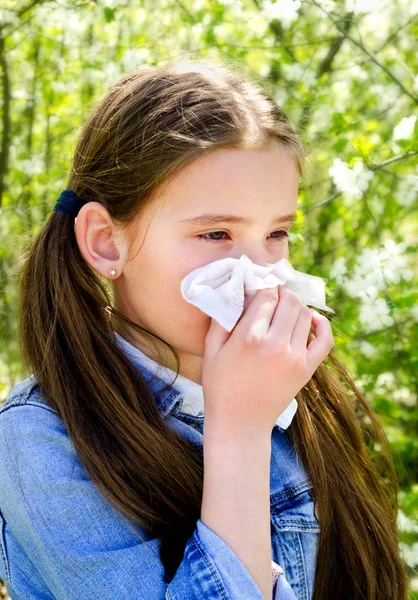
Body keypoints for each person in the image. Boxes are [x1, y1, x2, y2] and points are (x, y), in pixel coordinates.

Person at [0, 59, 408, 600]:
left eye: (277, 233)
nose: (258, 271)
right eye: (216, 233)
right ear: (105, 241)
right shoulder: (40, 441)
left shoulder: (297, 397)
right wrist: (239, 430)